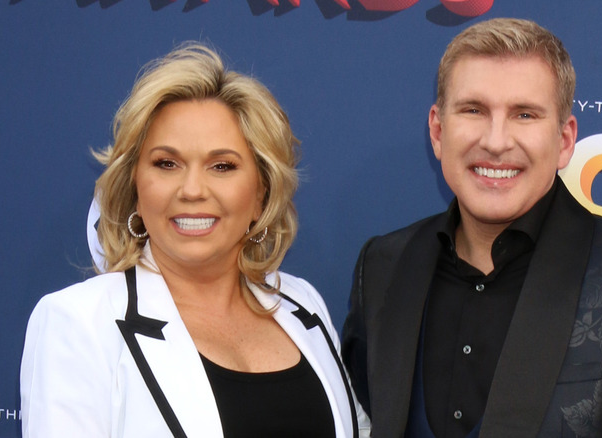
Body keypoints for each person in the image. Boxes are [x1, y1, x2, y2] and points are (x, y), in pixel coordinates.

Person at [341, 18, 602, 437]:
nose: (496, 142)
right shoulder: (384, 266)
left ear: (565, 140)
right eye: (474, 110)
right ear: (438, 131)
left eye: (525, 114)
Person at [20, 43, 370, 438]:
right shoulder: (78, 324)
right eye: (166, 164)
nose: (191, 190)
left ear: (260, 194)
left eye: (222, 166)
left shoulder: (303, 304)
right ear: (136, 186)